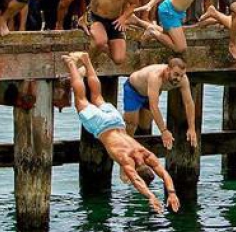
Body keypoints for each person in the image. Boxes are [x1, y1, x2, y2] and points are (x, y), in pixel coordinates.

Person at [62, 52, 180, 214]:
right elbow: (136, 180)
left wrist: (172, 192)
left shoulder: (146, 154)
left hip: (116, 121)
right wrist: (150, 196)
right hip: (101, 127)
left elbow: (164, 174)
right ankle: (71, 64)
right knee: (81, 100)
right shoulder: (127, 160)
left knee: (97, 96)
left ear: (149, 167)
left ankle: (87, 61)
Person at [122, 59, 196, 149]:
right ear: (168, 70)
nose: (178, 79)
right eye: (176, 74)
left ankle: (139, 147)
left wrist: (192, 128)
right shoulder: (155, 77)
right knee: (131, 124)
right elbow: (154, 106)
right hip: (133, 91)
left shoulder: (183, 80)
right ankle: (125, 147)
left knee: (145, 125)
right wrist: (164, 131)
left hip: (150, 94)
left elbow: (188, 103)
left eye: (181, 75)